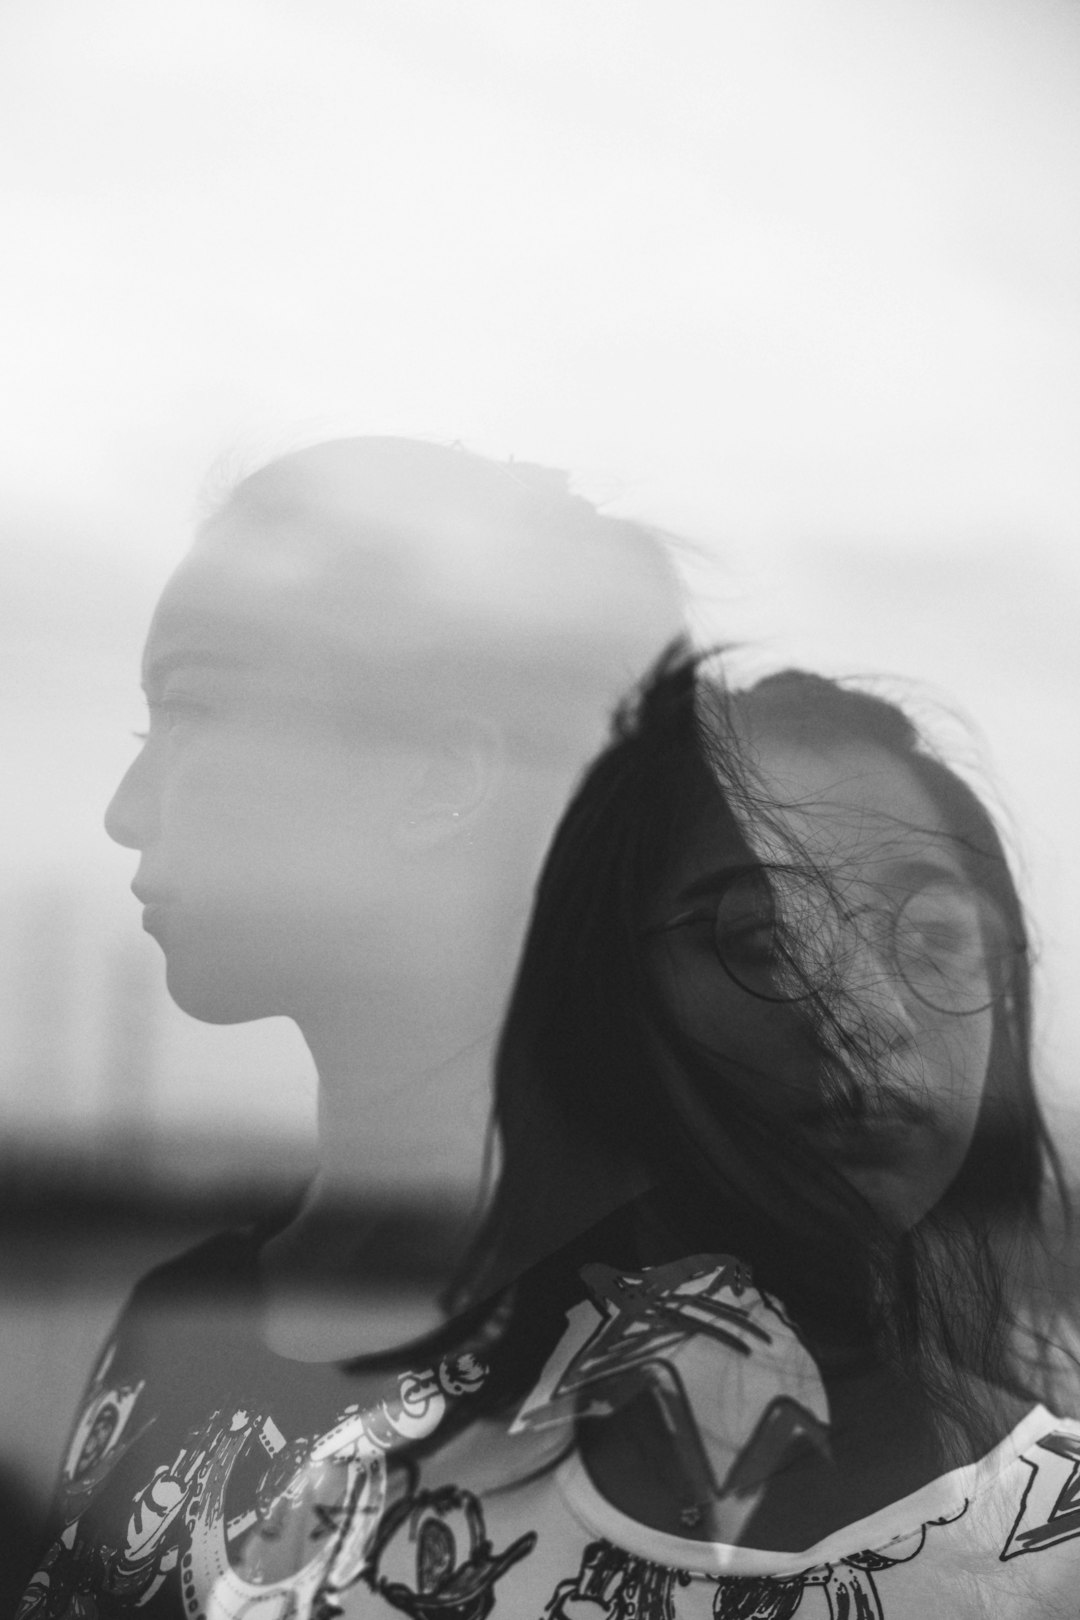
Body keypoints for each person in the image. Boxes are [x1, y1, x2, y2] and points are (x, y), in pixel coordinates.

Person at [16, 436, 683, 1620]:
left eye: (192, 708)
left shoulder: (693, 1388)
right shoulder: (175, 1326)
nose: (125, 811)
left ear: (441, 776)